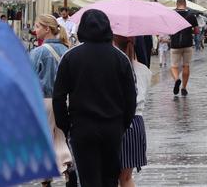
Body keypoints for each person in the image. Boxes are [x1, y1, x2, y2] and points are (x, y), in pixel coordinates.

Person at [53, 9, 137, 187]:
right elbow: (131, 97)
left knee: (89, 179)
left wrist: (66, 125)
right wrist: (122, 123)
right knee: (110, 178)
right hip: (112, 126)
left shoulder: (70, 57)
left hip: (82, 127)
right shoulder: (120, 58)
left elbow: (58, 97)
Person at [29, 15, 76, 187]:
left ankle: (46, 180)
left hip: (45, 101)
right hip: (65, 101)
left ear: (47, 29)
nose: (35, 30)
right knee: (62, 137)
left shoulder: (38, 52)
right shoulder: (68, 50)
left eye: (37, 26)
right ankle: (67, 165)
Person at [113, 35, 151, 187]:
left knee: (110, 176)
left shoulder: (114, 67)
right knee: (127, 178)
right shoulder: (144, 70)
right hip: (136, 123)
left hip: (117, 121)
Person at [169, 0, 199, 97]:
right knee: (186, 65)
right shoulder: (191, 15)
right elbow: (197, 31)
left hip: (175, 44)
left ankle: (177, 79)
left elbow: (168, 29)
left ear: (177, 5)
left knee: (174, 66)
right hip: (188, 44)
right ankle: (184, 88)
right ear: (185, 5)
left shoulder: (172, 15)